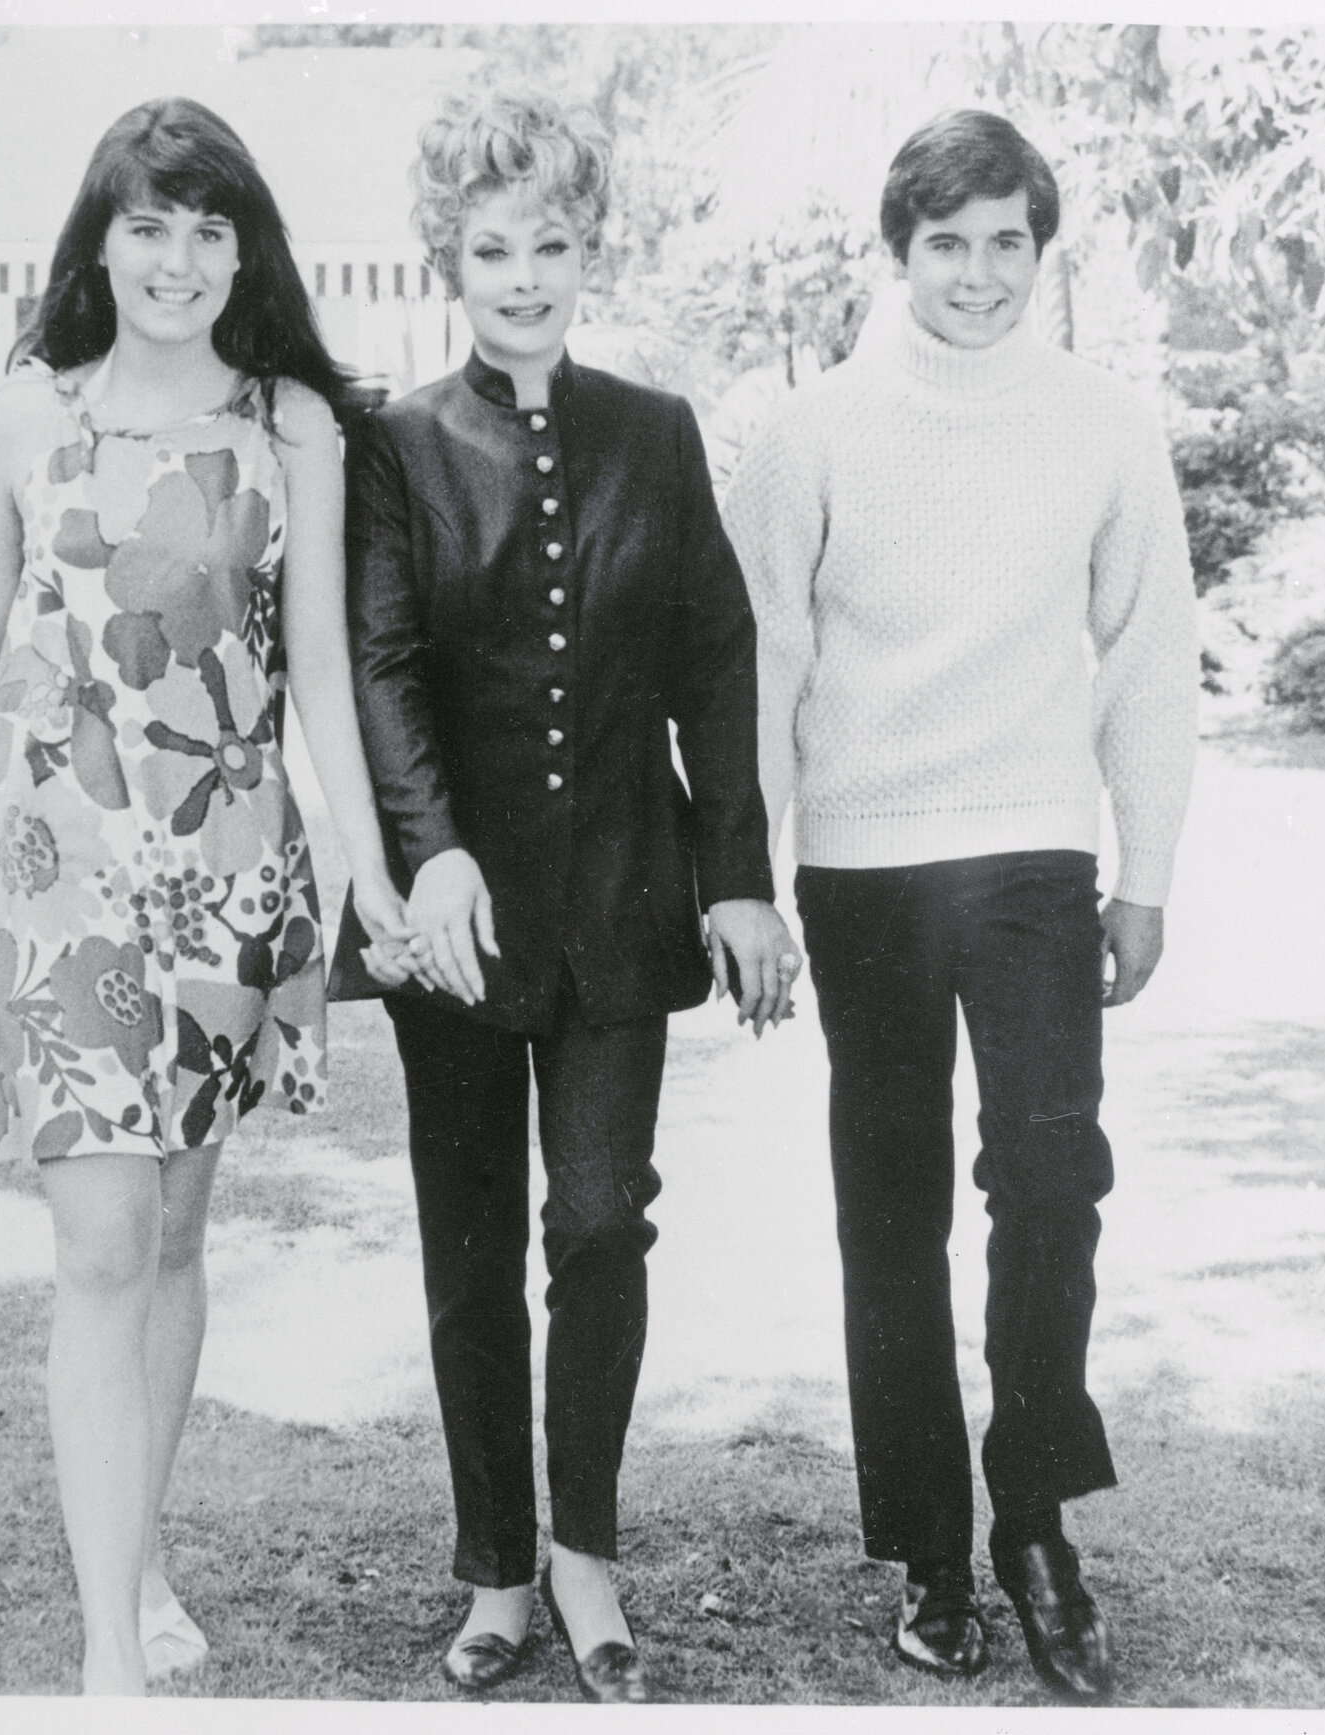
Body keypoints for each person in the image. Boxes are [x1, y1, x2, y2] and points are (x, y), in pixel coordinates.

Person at [0, 98, 408, 1696]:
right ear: (101, 242)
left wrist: (375, 877)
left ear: (243, 248)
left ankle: (135, 1556)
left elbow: (321, 674)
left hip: (227, 877)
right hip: (55, 882)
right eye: (149, 226)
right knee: (103, 1253)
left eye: (210, 229)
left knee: (179, 1240)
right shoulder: (16, 420)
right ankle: (106, 1662)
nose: (179, 259)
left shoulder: (292, 430)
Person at [722, 109, 1198, 1703]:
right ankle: (929, 1538)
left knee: (1053, 1176)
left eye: (1010, 243)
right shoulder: (816, 434)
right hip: (861, 864)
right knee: (891, 1205)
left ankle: (1039, 1517)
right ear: (898, 251)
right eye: (949, 246)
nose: (980, 275)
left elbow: (1144, 658)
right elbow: (767, 663)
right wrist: (753, 877)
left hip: (1034, 857)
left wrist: (1149, 870)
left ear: (1040, 249)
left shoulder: (1104, 426)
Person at [335, 89, 798, 1704]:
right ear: (446, 258)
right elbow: (380, 662)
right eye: (489, 247)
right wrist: (428, 846)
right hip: (452, 922)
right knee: (469, 1246)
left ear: (590, 247)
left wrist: (738, 880)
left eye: (549, 242)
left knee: (599, 1222)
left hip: (619, 904)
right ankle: (494, 1571)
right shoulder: (397, 445)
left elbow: (716, 658)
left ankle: (588, 1557)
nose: (522, 275)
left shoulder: (656, 433)